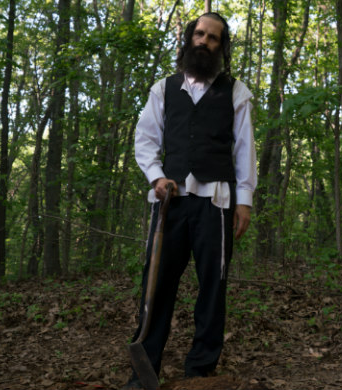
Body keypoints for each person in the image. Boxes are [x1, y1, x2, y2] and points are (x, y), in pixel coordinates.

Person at [125, 11, 257, 389]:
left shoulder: (236, 91)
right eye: (199, 33)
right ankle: (144, 370)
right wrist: (156, 178)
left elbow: (245, 149)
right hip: (170, 203)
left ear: (221, 46)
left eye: (213, 37)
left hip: (216, 203)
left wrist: (244, 200)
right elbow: (145, 141)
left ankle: (200, 372)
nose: (204, 41)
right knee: (157, 286)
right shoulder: (163, 89)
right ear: (189, 38)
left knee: (212, 288)